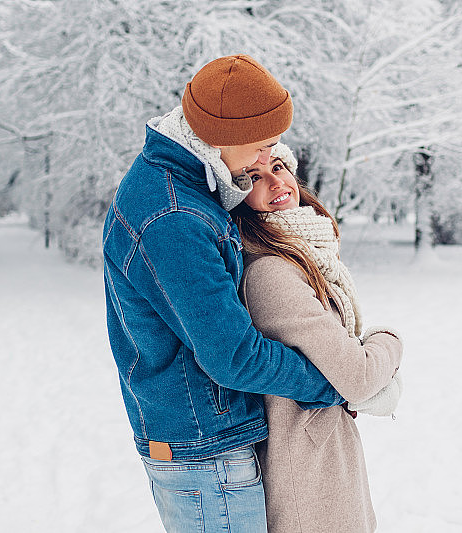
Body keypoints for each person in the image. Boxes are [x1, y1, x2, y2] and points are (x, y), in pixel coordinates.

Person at [102, 55, 345, 533]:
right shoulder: (175, 218)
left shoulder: (182, 181)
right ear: (222, 137)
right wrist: (332, 383)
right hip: (206, 454)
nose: (265, 159)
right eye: (262, 146)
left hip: (203, 443)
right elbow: (233, 356)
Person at [231, 142, 404, 532]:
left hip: (324, 451)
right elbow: (358, 376)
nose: (276, 182)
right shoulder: (271, 272)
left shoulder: (305, 256)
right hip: (306, 471)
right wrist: (388, 338)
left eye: (278, 167)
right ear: (239, 197)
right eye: (255, 177)